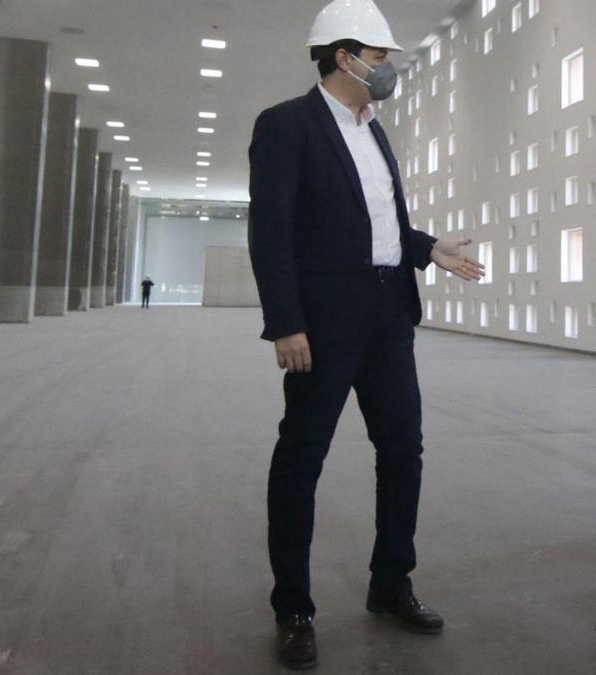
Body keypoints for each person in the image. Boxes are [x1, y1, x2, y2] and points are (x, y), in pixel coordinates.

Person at [247, 0, 484, 669]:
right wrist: (285, 321)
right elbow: (272, 231)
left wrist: (428, 247)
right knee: (303, 457)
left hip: (387, 316)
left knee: (403, 448)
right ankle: (293, 605)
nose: (387, 71)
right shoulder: (287, 125)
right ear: (345, 57)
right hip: (321, 324)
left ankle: (391, 583)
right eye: (381, 60)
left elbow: (373, 227)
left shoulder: (374, 129)